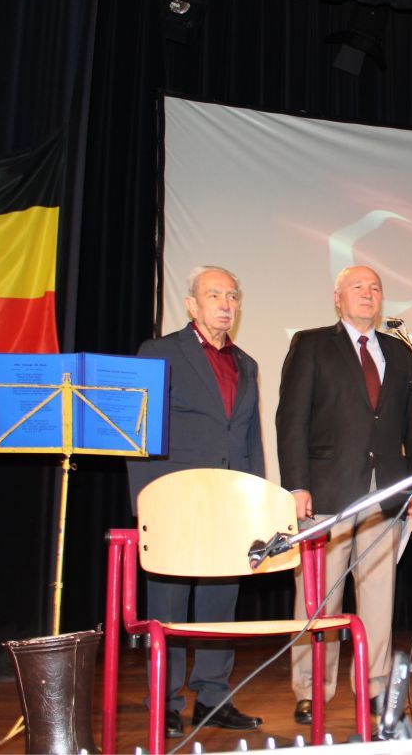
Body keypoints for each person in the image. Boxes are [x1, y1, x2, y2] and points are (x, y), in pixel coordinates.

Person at [276, 265, 412, 726]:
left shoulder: (400, 353)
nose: (368, 293)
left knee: (379, 596)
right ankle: (311, 689)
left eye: (375, 287)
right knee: (319, 596)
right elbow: (291, 418)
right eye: (357, 287)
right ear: (337, 298)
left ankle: (375, 687)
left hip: (386, 491)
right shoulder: (311, 344)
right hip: (327, 490)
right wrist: (296, 484)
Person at [125, 265, 266, 738]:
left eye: (232, 295)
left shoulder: (247, 363)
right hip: (173, 501)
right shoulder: (159, 352)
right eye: (214, 295)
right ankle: (163, 701)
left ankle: (213, 698)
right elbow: (140, 434)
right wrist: (147, 503)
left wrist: (257, 503)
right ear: (191, 305)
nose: (226, 304)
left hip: (229, 503)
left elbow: (249, 438)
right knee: (166, 606)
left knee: (219, 605)